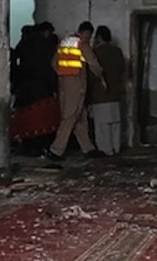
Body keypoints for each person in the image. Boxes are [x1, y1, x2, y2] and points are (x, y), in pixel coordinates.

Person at [46, 21, 106, 160]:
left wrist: (63, 74)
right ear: (86, 33)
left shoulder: (64, 42)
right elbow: (93, 63)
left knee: (80, 117)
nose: (89, 39)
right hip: (76, 83)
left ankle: (88, 149)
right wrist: (101, 76)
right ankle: (56, 150)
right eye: (89, 36)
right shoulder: (81, 44)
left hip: (64, 83)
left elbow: (53, 63)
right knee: (70, 116)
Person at [89, 26, 126, 155]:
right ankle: (116, 147)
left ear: (99, 37)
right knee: (115, 123)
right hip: (115, 93)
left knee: (102, 126)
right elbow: (122, 71)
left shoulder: (95, 53)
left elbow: (92, 75)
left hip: (100, 94)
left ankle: (106, 149)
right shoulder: (117, 51)